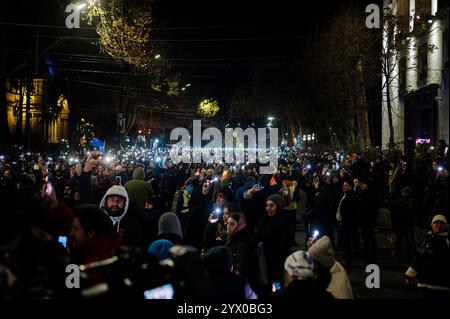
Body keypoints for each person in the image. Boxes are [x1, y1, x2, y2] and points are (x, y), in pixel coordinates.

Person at [405, 214, 449, 299]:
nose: (438, 225)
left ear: (445, 226)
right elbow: (418, 258)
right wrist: (409, 276)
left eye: (441, 223)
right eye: (436, 223)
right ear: (432, 225)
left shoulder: (447, 241)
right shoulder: (425, 240)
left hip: (441, 284)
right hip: (424, 282)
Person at [255, 194, 291, 286]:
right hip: (264, 259)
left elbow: (284, 245)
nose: (268, 208)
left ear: (278, 207)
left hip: (276, 262)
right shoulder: (265, 219)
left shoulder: (284, 222)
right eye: (267, 205)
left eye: (271, 205)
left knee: (276, 283)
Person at [390, 186, 417, 264]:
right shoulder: (400, 202)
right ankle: (407, 257)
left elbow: (393, 215)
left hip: (404, 225)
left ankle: (404, 257)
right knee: (405, 242)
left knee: (406, 242)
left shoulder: (411, 202)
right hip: (404, 225)